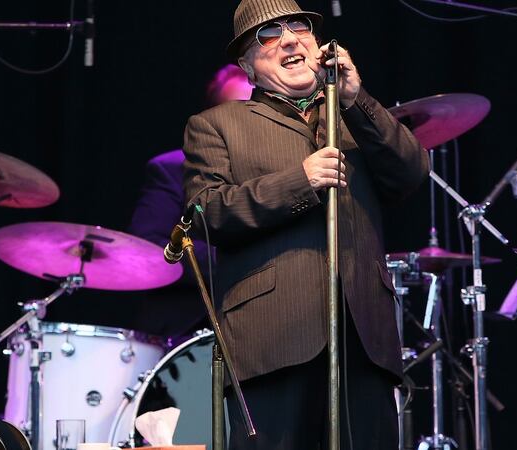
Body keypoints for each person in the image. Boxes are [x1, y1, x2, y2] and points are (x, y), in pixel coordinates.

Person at [182, 0, 429, 448]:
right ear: (247, 67)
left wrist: (357, 99)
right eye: (269, 35)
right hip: (273, 337)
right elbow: (207, 213)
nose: (291, 39)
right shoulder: (217, 124)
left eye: (300, 28)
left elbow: (411, 173)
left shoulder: (355, 119)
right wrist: (300, 181)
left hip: (364, 338)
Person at [126, 64, 252, 338]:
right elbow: (148, 250)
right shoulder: (171, 169)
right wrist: (242, 258)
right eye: (236, 111)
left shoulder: (280, 173)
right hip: (185, 333)